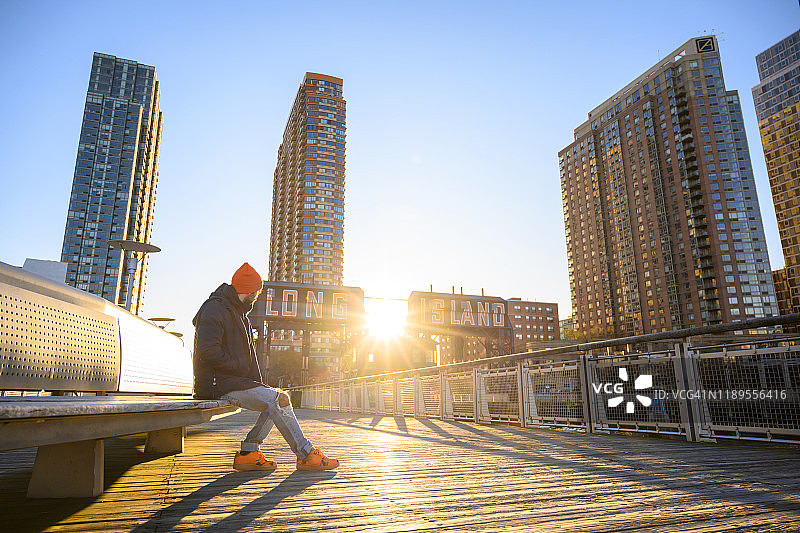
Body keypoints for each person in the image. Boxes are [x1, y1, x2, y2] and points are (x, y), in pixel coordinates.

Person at [192, 262, 339, 472]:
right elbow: (207, 351)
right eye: (256, 292)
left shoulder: (237, 311)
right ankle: (306, 454)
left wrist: (257, 382)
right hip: (216, 385)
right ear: (249, 290)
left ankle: (249, 453)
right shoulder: (215, 308)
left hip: (231, 381)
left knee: (278, 397)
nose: (257, 296)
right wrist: (239, 365)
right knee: (278, 399)